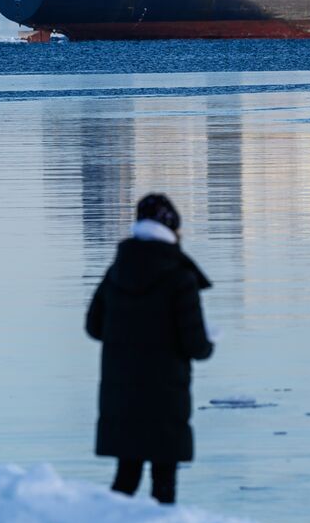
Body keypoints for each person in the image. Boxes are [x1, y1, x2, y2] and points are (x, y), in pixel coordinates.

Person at [86, 193, 215, 504]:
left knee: (126, 477)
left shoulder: (117, 271)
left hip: (122, 395)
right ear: (172, 229)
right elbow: (196, 346)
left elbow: (94, 327)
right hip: (164, 395)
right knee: (164, 482)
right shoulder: (179, 277)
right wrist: (209, 342)